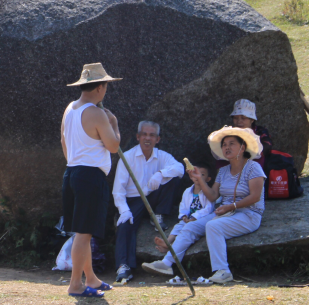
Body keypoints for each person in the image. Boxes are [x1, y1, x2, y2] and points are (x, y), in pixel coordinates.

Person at [142, 126, 266, 284]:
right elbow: (213, 196)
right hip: (224, 212)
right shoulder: (223, 171)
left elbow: (255, 197)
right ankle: (166, 264)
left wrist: (231, 206)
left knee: (214, 227)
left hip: (248, 214)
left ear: (242, 147)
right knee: (190, 226)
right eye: (224, 144)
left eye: (231, 144)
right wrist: (199, 179)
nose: (226, 147)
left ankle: (223, 271)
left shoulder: (253, 167)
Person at [60, 63, 121, 298]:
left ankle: (91, 279)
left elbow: (64, 142)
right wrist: (113, 123)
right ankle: (75, 284)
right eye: (106, 86)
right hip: (90, 176)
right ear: (100, 87)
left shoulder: (70, 109)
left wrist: (76, 163)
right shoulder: (96, 113)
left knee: (81, 233)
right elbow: (113, 146)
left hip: (72, 172)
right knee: (84, 233)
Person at [112, 121, 185, 283]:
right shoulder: (128, 156)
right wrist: (124, 210)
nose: (147, 138)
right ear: (138, 137)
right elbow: (118, 190)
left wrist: (160, 173)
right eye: (144, 134)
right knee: (125, 225)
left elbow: (180, 168)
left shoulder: (162, 156)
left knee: (171, 178)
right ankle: (124, 266)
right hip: (133, 201)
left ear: (157, 139)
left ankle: (158, 215)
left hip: (154, 198)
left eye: (152, 135)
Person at [153, 165, 215, 254]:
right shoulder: (187, 191)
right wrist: (184, 216)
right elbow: (183, 206)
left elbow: (208, 209)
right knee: (178, 226)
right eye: (196, 173)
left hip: (201, 219)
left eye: (202, 175)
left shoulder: (208, 192)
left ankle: (170, 248)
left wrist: (194, 218)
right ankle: (168, 242)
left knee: (186, 232)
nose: (198, 177)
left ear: (208, 179)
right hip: (189, 218)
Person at [228, 99, 273, 167]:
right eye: (235, 118)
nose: (239, 121)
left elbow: (267, 146)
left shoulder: (260, 131)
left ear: (252, 120)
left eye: (243, 118)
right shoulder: (227, 133)